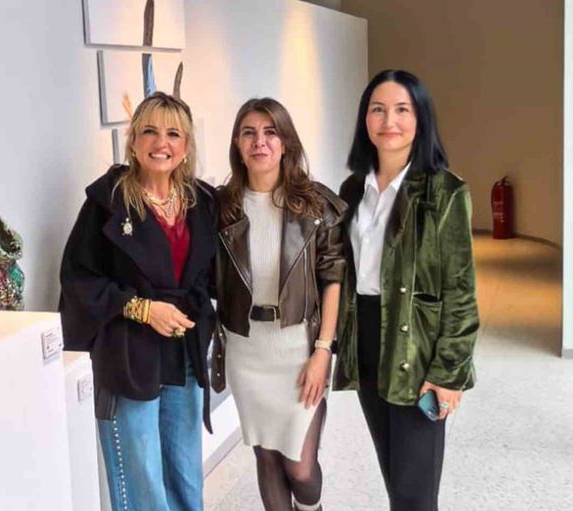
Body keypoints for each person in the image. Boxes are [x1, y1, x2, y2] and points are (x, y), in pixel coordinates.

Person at [59, 91, 217, 511]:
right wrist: (143, 309)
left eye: (173, 134)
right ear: (133, 141)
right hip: (129, 351)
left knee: (185, 470)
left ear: (186, 146)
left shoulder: (202, 202)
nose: (161, 143)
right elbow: (78, 278)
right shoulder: (107, 203)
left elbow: (214, 271)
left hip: (183, 351)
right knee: (141, 472)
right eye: (149, 131)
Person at [334, 69, 480, 511]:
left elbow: (461, 291)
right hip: (367, 342)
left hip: (417, 347)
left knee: (415, 493)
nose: (389, 121)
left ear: (421, 119)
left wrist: (449, 373)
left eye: (402, 109)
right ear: (365, 119)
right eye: (377, 109)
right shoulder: (352, 189)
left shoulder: (444, 192)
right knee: (395, 479)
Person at [211, 97, 347, 511]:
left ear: (285, 143)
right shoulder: (221, 208)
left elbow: (333, 279)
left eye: (271, 132)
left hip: (299, 350)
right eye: (249, 133)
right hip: (247, 351)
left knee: (301, 469)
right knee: (267, 458)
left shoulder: (315, 205)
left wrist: (323, 351)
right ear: (237, 144)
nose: (260, 142)